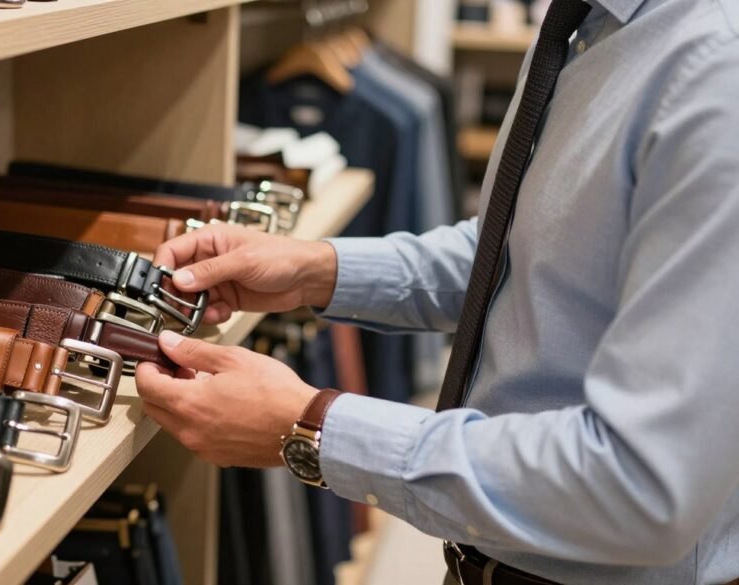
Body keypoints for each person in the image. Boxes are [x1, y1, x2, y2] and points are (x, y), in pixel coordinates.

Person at [134, 0, 739, 583]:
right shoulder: (592, 26)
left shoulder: (713, 71)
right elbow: (525, 255)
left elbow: (641, 485)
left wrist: (313, 425)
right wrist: (314, 268)